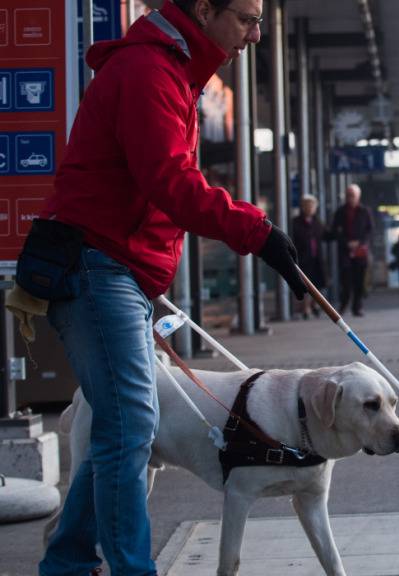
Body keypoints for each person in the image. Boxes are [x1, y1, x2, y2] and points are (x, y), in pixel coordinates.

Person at [35, 2, 306, 575]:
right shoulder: (149, 72)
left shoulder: (174, 73)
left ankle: (67, 561)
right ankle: (131, 568)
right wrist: (256, 231)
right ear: (204, 9)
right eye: (246, 18)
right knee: (132, 423)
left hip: (117, 270)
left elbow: (166, 184)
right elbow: (171, 181)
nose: (256, 35)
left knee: (120, 426)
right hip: (97, 265)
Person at [329, 184, 374, 316]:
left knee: (359, 281)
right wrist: (346, 243)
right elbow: (335, 231)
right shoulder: (340, 212)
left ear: (358, 196)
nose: (350, 198)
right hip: (345, 251)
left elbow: (370, 230)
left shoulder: (365, 211)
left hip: (360, 252)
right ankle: (343, 305)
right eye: (348, 195)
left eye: (352, 195)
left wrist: (360, 242)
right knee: (346, 280)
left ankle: (357, 307)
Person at [292, 195, 326, 319]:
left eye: (312, 206)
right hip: (303, 258)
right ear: (303, 207)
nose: (310, 208)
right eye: (307, 205)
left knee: (318, 283)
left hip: (316, 258)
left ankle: (314, 305)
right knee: (305, 285)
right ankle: (306, 308)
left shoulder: (317, 222)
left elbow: (325, 234)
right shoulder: (296, 222)